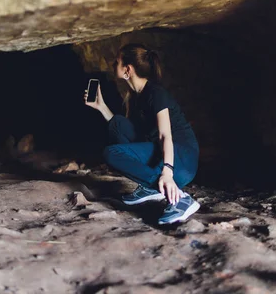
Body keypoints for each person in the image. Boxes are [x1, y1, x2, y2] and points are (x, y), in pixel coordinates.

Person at [84, 43, 200, 224]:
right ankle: (152, 188)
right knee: (119, 124)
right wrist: (101, 107)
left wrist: (167, 173)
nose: (114, 65)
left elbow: (165, 136)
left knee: (111, 152)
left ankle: (180, 199)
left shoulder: (156, 93)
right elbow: (127, 132)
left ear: (127, 70)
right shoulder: (136, 96)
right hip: (162, 155)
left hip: (182, 159)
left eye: (117, 62)